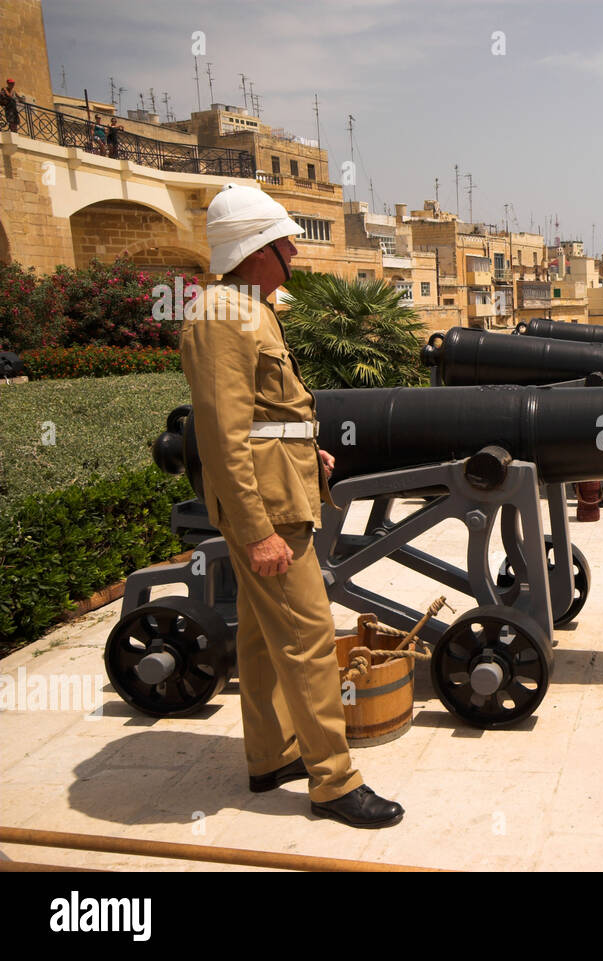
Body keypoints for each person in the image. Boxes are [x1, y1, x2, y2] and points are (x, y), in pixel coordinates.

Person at [181, 183, 403, 827]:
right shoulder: (224, 315)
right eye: (286, 246)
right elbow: (221, 436)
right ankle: (333, 782)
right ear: (257, 249)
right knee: (307, 639)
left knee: (259, 635)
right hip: (268, 510)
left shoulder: (246, 307)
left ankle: (270, 755)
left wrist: (310, 452)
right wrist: (255, 532)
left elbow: (265, 417)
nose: (293, 258)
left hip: (284, 487)